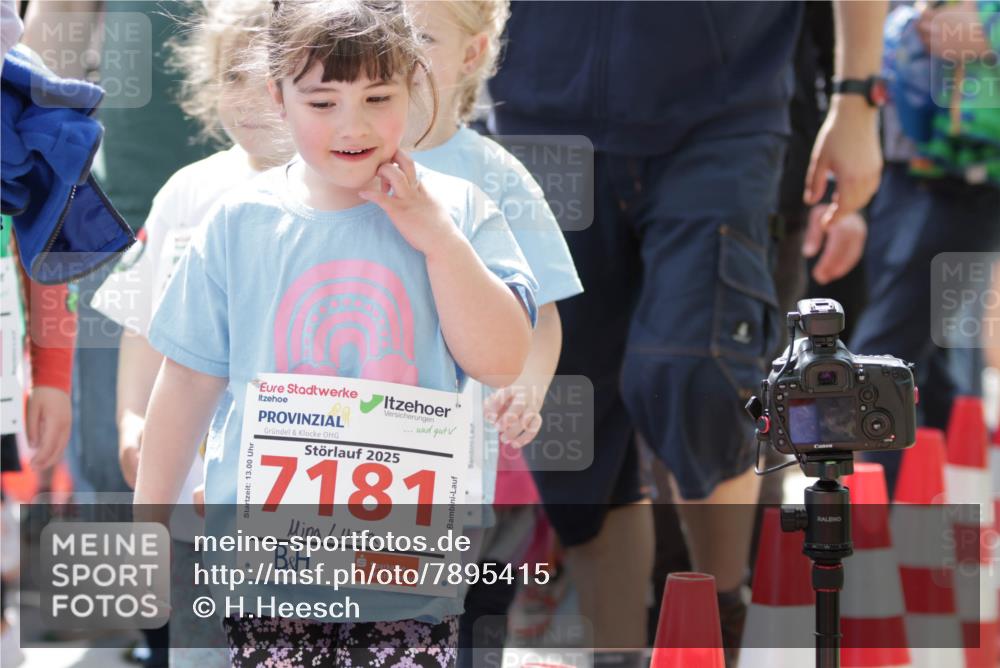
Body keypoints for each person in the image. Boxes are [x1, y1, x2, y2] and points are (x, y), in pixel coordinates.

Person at [134, 1, 537, 665]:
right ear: (279, 98)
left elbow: (499, 359)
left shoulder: (462, 212)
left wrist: (437, 238)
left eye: (378, 96)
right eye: (323, 103)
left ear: (415, 86)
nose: (352, 124)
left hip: (405, 573)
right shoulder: (238, 222)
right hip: (270, 569)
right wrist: (146, 525)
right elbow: (186, 382)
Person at [485, 1, 886, 659]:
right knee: (570, 427)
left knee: (695, 369)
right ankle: (615, 651)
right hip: (537, 114)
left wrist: (857, 98)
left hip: (722, 114)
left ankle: (717, 621)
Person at [90, 1, 291, 665]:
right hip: (189, 485)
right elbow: (144, 323)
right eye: (233, 76)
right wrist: (129, 418)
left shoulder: (343, 192)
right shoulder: (188, 191)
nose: (252, 99)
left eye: (275, 77)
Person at [404, 2, 583, 663]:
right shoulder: (337, 160)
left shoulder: (496, 175)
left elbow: (545, 311)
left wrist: (528, 392)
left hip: (480, 462)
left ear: (471, 54)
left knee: (474, 625)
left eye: (422, 36)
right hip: (361, 462)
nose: (402, 50)